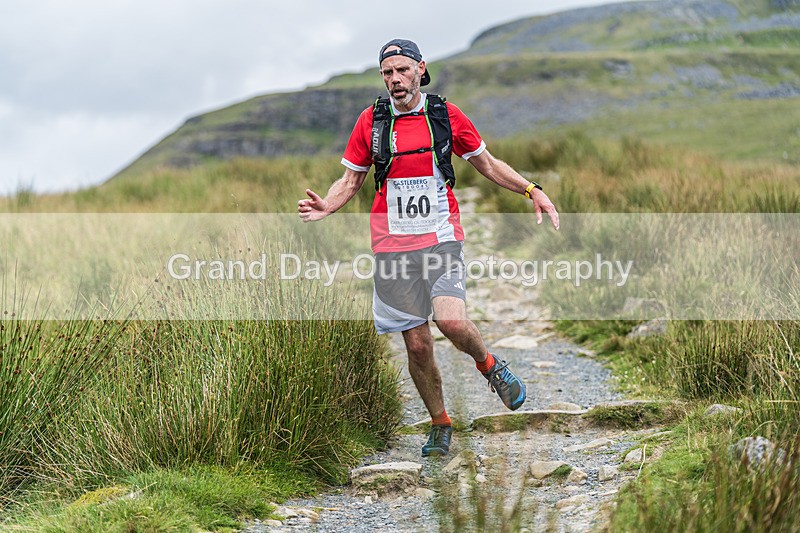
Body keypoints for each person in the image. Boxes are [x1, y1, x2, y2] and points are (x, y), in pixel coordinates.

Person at [298, 38, 559, 457]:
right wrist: (327, 205)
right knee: (417, 345)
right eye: (387, 73)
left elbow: (487, 164)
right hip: (391, 246)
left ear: (421, 69)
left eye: (402, 70)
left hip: (440, 236)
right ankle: (440, 424)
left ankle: (490, 365)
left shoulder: (445, 115)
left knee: (452, 323)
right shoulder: (372, 121)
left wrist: (532, 190)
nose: (395, 80)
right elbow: (350, 180)